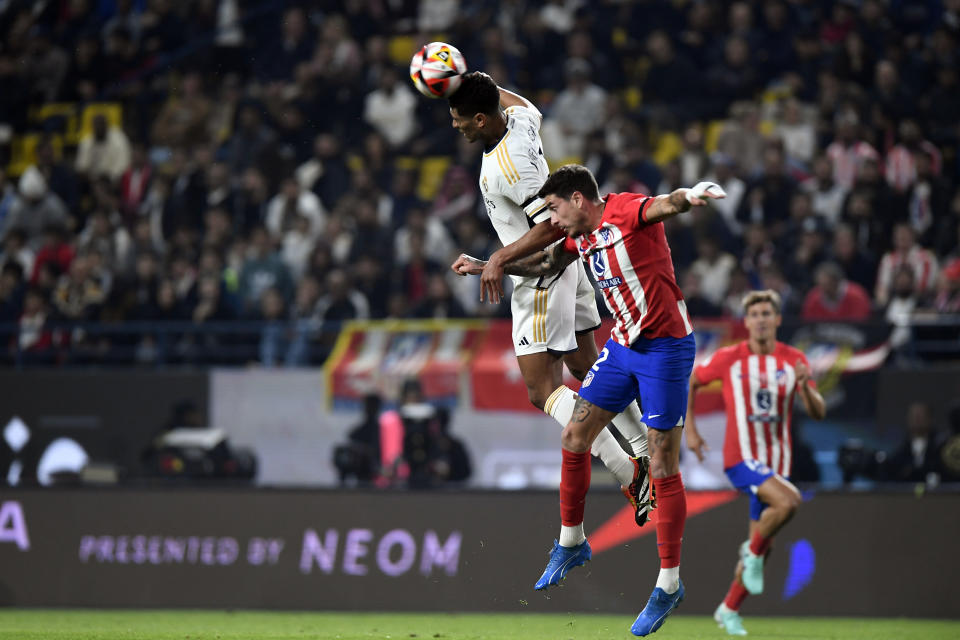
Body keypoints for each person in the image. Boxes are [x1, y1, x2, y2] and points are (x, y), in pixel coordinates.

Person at [467, 164, 726, 636]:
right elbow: (546, 265)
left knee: (664, 465)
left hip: (666, 350)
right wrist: (493, 264)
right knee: (574, 433)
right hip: (623, 347)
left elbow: (665, 205)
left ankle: (669, 584)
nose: (553, 221)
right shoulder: (577, 239)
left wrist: (691, 195)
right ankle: (572, 541)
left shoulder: (625, 209)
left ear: (578, 200)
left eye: (555, 209)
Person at [444, 72, 654, 527]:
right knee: (585, 367)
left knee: (542, 389)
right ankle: (645, 449)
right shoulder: (519, 119)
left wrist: (498, 258)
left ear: (481, 119)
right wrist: (466, 78)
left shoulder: (511, 163)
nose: (455, 125)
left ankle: (630, 471)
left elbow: (552, 226)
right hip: (569, 268)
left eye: (460, 118)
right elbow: (512, 99)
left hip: (541, 278)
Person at [685, 289, 826, 636]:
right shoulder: (729, 357)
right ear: (746, 322)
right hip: (742, 459)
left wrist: (806, 387)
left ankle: (728, 609)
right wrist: (690, 431)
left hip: (777, 464)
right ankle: (750, 551)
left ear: (777, 320)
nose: (761, 319)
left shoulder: (793, 359)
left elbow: (818, 412)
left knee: (765, 549)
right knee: (789, 502)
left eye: (767, 314)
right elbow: (691, 381)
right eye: (755, 314)